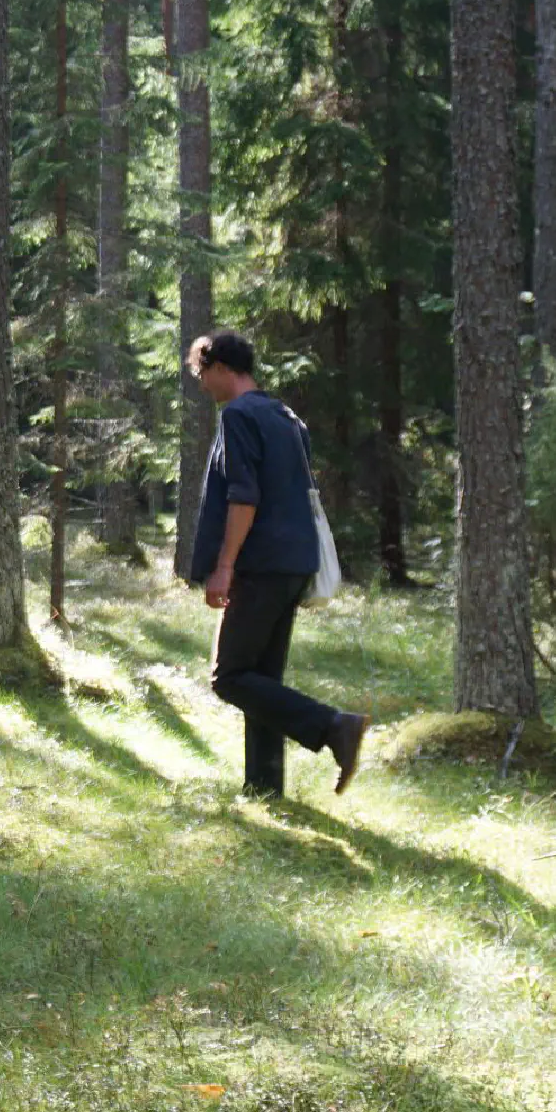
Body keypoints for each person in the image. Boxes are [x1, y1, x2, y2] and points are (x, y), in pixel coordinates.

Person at [187, 331, 368, 798]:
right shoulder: (286, 417)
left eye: (202, 374)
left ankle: (333, 726)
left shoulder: (240, 416)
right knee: (261, 680)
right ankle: (265, 787)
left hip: (260, 563)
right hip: (293, 562)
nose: (202, 385)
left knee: (228, 677)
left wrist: (224, 565)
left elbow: (244, 497)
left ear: (221, 366)